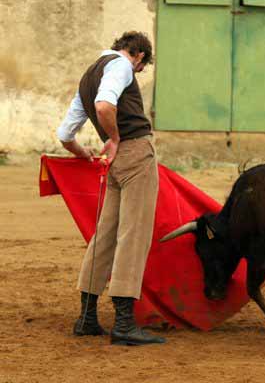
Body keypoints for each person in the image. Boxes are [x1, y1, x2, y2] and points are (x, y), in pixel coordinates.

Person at [57, 31, 165, 345]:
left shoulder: (88, 74)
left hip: (114, 164)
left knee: (105, 233)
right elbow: (105, 106)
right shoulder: (121, 67)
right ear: (140, 56)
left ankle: (87, 317)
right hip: (133, 154)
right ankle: (124, 323)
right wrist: (115, 138)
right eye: (141, 68)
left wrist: (84, 152)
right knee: (134, 234)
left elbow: (65, 133)